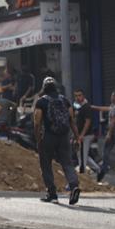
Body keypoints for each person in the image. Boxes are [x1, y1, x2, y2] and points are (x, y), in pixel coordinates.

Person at [33, 77, 80, 205]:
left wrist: (38, 139)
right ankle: (74, 185)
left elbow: (37, 122)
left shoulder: (41, 102)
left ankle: (52, 194)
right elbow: (72, 120)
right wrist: (77, 137)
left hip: (49, 136)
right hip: (64, 136)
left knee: (46, 164)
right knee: (67, 163)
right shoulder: (64, 100)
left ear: (43, 88)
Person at [73, 89, 100, 175]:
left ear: (83, 96)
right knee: (81, 155)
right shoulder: (78, 107)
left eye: (79, 95)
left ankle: (82, 175)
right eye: (76, 96)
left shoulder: (86, 107)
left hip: (86, 135)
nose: (78, 97)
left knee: (82, 157)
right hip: (80, 135)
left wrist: (82, 135)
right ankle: (98, 169)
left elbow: (88, 122)